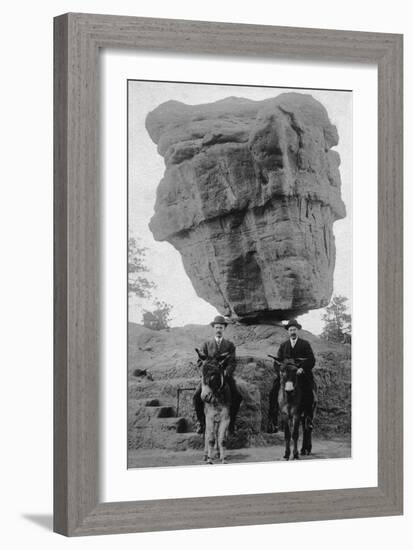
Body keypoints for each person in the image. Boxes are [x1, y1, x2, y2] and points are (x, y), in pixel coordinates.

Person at [193, 315, 242, 435]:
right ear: (213, 329)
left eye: (221, 327)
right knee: (196, 396)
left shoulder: (230, 345)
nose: (218, 330)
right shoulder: (206, 344)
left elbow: (232, 361)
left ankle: (231, 425)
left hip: (224, 376)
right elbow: (199, 362)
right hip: (209, 377)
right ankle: (201, 423)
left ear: (224, 328)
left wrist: (227, 372)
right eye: (216, 327)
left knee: (237, 396)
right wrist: (206, 370)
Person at [268, 319, 316, 432]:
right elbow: (277, 362)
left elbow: (311, 360)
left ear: (297, 330)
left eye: (294, 329)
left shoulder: (305, 344)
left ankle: (308, 418)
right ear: (288, 332)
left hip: (300, 374)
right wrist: (280, 372)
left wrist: (302, 368)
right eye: (290, 330)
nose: (292, 332)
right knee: (273, 391)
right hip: (286, 375)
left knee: (309, 391)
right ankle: (272, 420)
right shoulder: (283, 345)